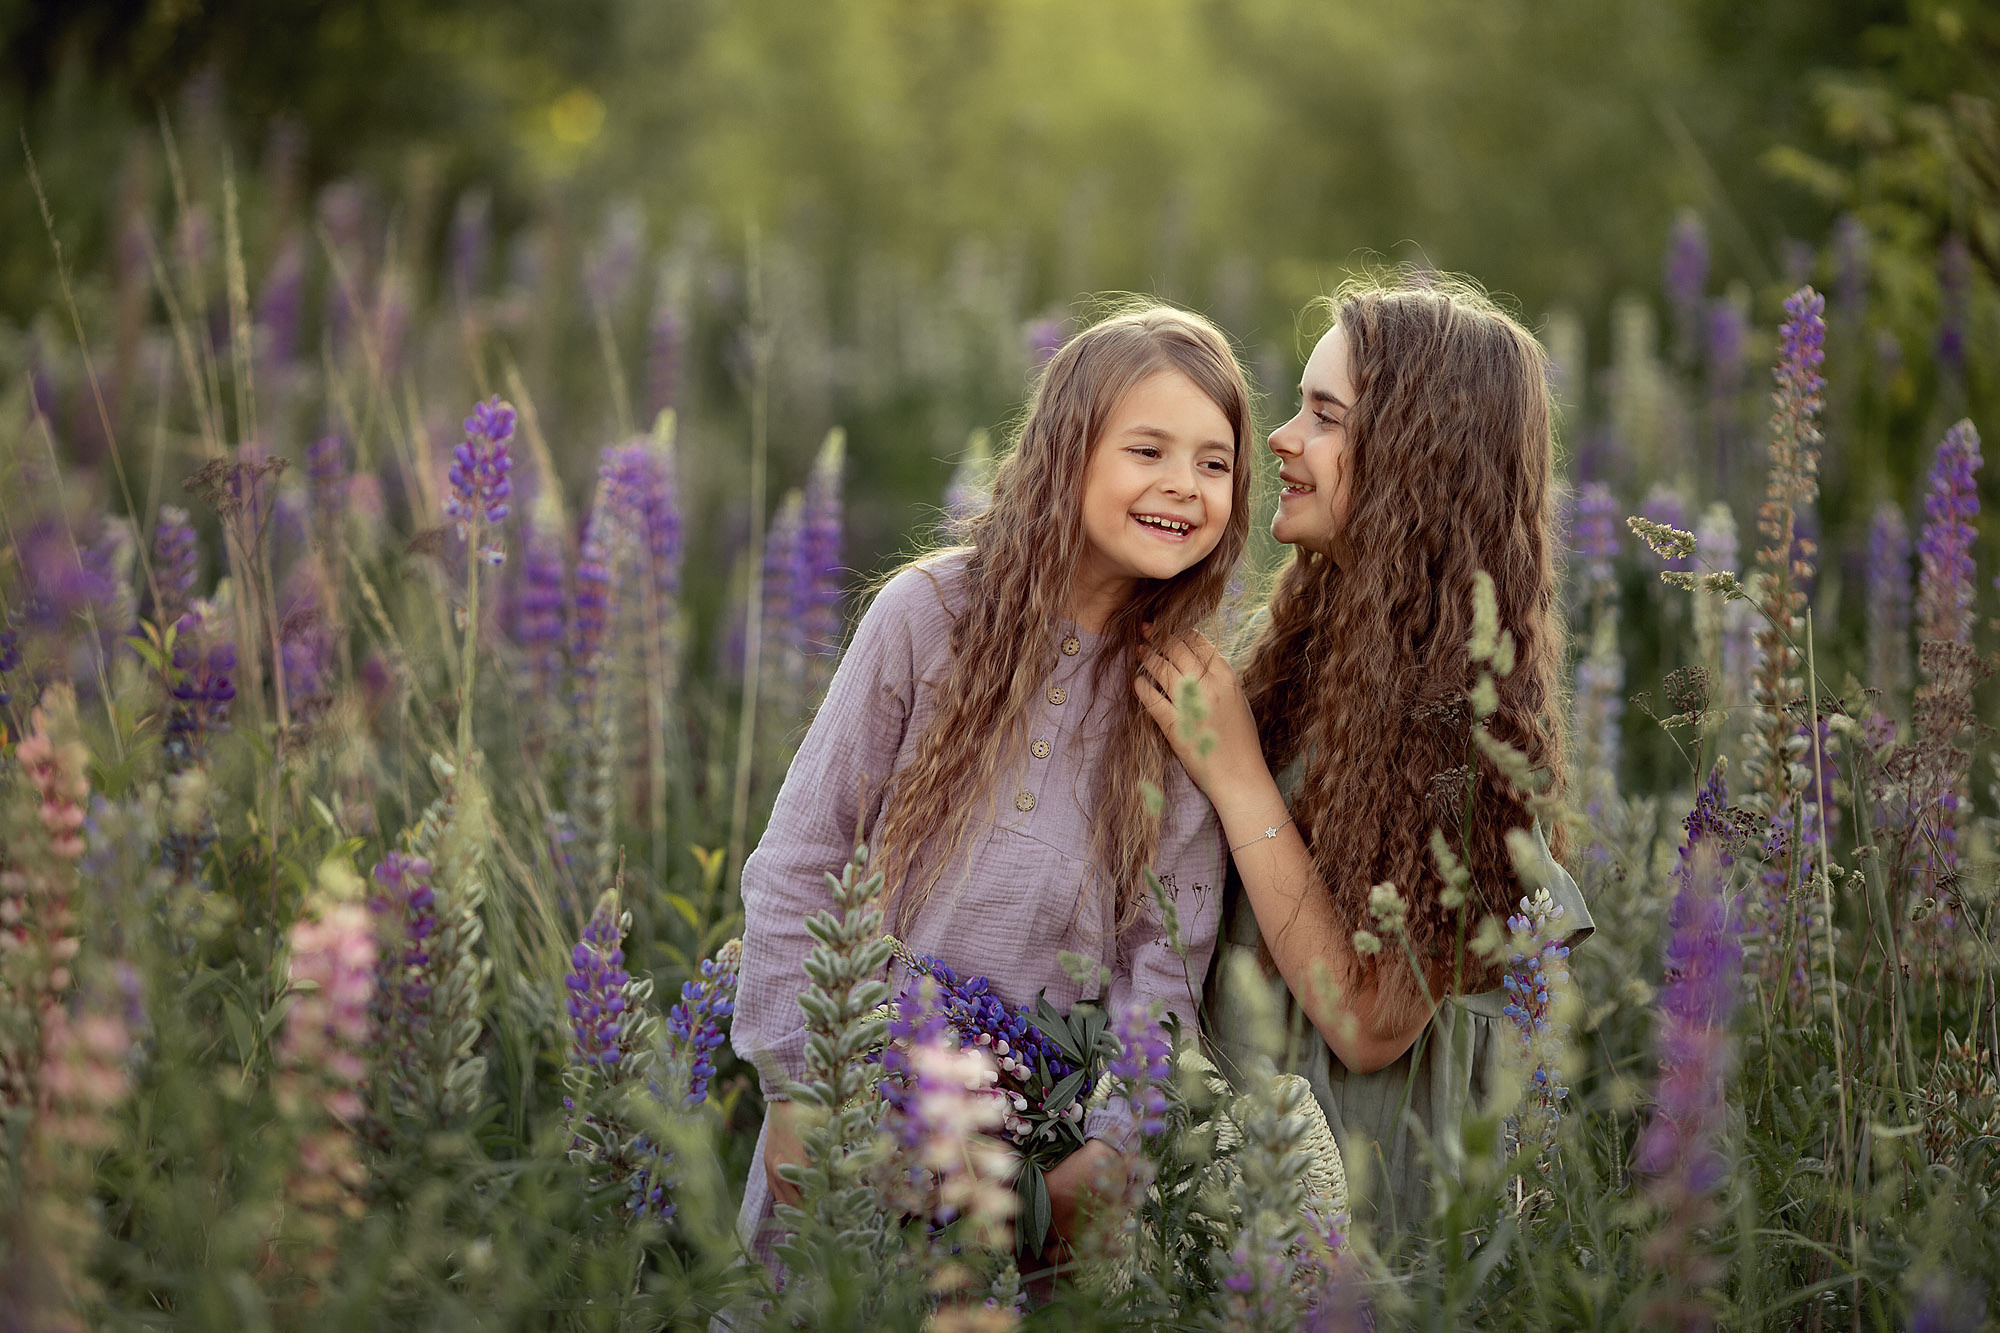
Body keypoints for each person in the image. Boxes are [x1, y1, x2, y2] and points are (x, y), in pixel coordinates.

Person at [732, 303, 1253, 1270]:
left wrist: (1108, 1155)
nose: (1184, 485)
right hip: (854, 1109)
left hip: (1033, 1162)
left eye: (1215, 463)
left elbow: (1165, 969)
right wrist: (796, 1086)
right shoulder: (929, 613)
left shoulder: (1180, 694)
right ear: (1068, 453)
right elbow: (801, 863)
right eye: (1148, 450)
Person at [1137, 276, 1593, 1230]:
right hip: (1250, 1180)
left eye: (1325, 416)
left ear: (1411, 464)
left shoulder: (1460, 725)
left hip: (1370, 1218)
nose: (1281, 437)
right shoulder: (1312, 641)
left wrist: (1232, 771)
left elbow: (1371, 1021)